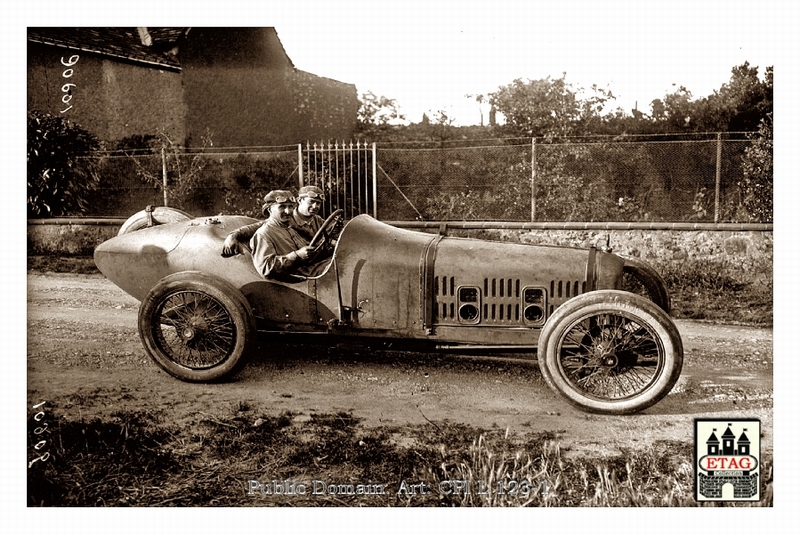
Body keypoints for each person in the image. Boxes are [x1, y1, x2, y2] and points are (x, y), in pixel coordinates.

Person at [241, 190, 326, 280]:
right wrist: (297, 255)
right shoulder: (264, 234)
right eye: (282, 207)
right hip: (297, 279)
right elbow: (266, 269)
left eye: (290, 207)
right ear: (270, 209)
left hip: (308, 270)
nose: (288, 211)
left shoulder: (288, 227)